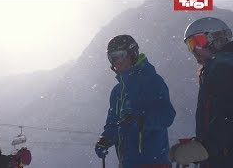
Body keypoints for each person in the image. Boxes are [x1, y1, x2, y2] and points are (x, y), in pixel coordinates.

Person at [95, 35, 176, 168]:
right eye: (112, 58)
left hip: (153, 162)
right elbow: (113, 123)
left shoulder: (151, 81)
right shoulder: (117, 92)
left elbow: (167, 115)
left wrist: (142, 121)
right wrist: (105, 139)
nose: (117, 61)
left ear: (132, 54)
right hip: (127, 163)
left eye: (121, 55)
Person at [170, 17, 233, 168]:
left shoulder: (223, 68)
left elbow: (227, 114)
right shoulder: (215, 67)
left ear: (216, 38)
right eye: (190, 45)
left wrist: (205, 147)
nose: (194, 50)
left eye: (197, 42)